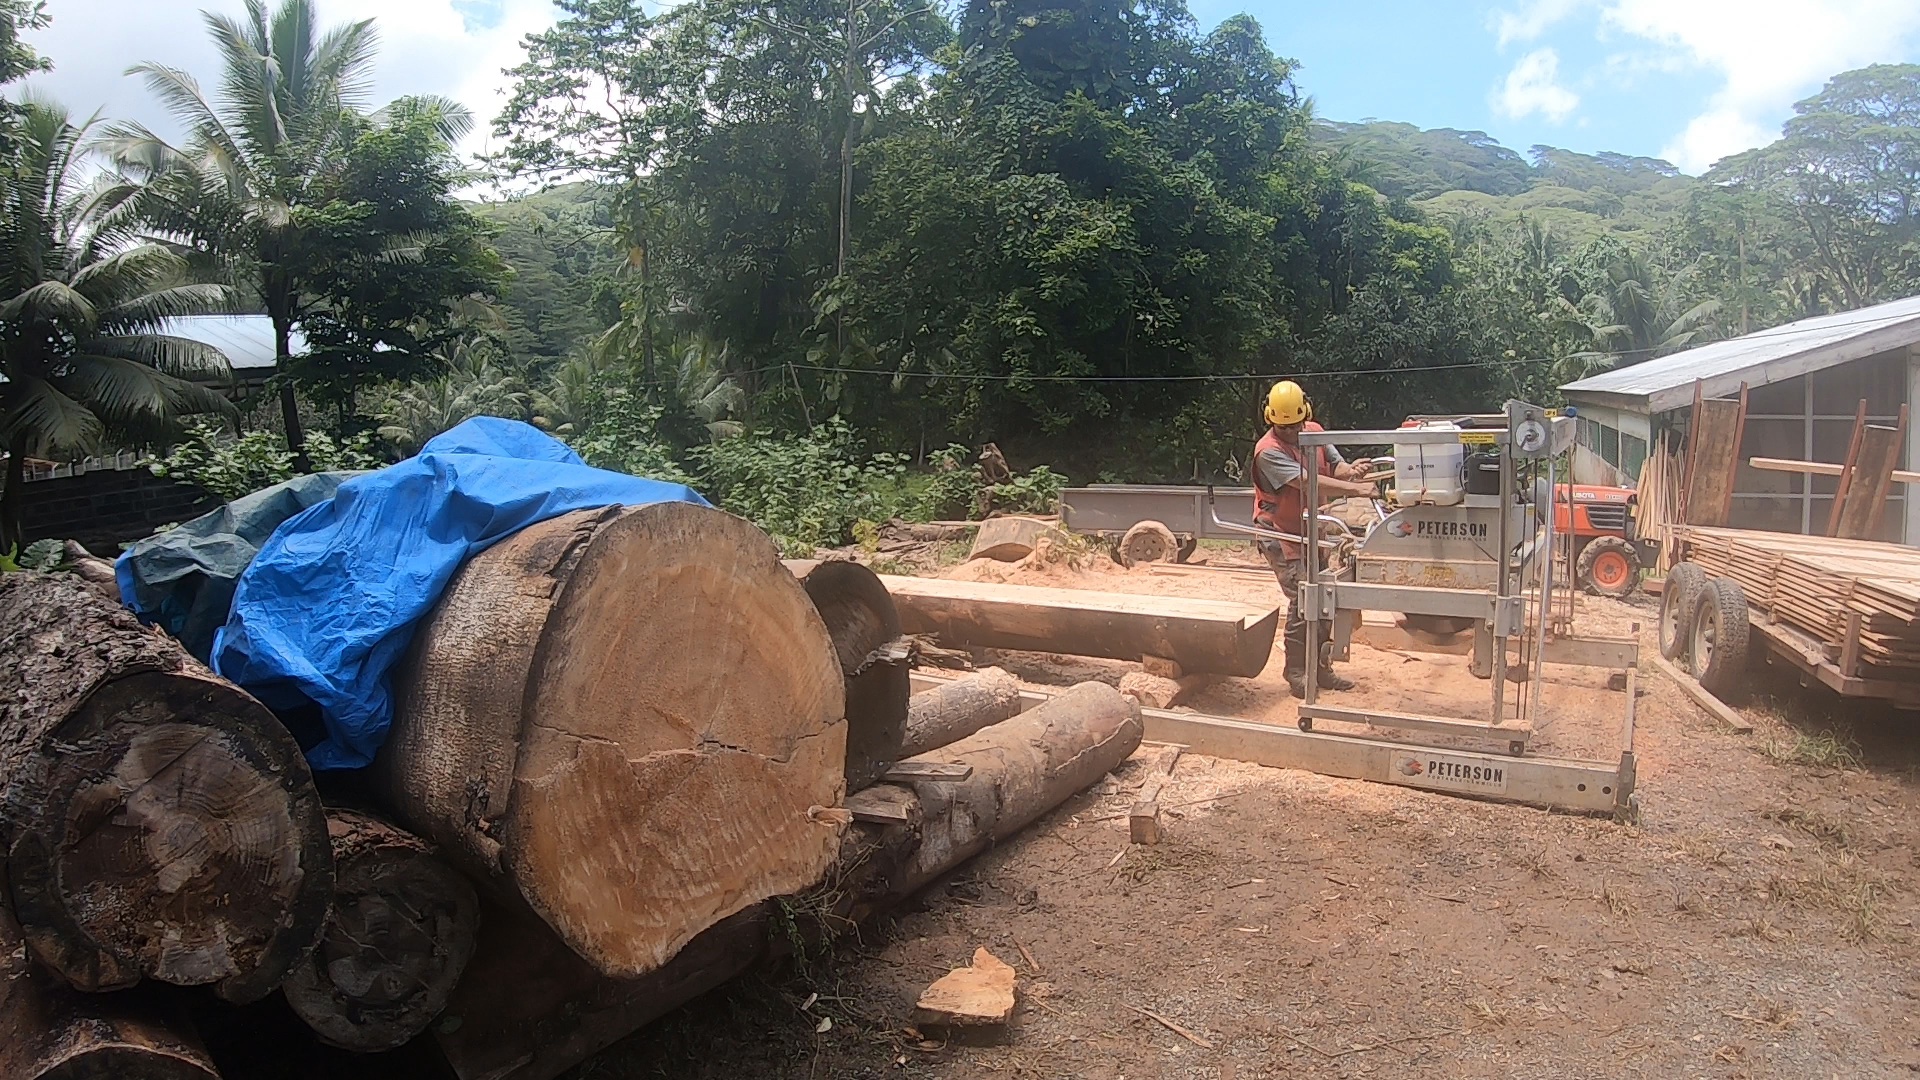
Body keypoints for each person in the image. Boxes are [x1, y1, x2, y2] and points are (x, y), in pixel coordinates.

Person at [1249, 381, 1377, 697]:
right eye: (1284, 427)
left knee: (1323, 599)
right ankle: (1296, 672)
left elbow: (1336, 467)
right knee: (1303, 600)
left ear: (1305, 415)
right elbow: (1307, 482)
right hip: (1280, 534)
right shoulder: (1268, 452)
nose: (1292, 432)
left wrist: (1353, 472)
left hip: (1311, 532)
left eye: (1295, 426)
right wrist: (1356, 490)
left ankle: (1320, 670)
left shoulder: (1315, 432)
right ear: (1271, 420)